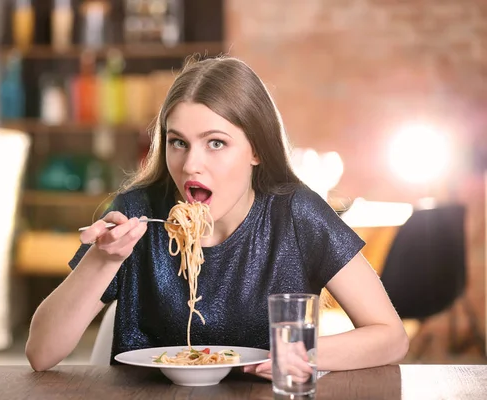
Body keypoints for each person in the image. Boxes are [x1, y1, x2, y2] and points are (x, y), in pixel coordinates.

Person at [25, 56, 409, 380]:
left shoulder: (296, 214)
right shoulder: (136, 212)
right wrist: (103, 260)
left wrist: (301, 353)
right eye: (178, 142)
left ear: (256, 150)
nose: (191, 164)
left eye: (216, 143)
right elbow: (41, 354)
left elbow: (391, 337)